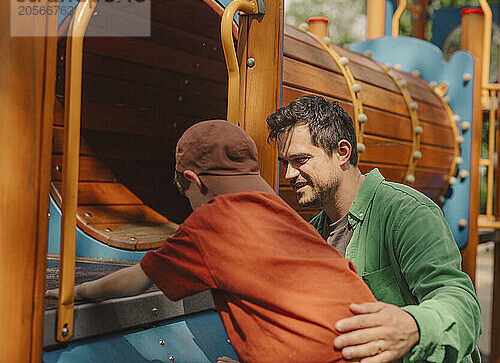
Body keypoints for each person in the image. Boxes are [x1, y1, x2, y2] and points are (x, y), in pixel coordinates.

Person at [47, 119, 377, 363]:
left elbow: (132, 283)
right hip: (366, 340)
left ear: (193, 181)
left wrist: (72, 292)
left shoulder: (211, 222)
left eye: (186, 195)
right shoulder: (278, 209)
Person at [267, 95, 482, 363]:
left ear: (342, 152)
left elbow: (462, 305)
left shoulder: (407, 213)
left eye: (300, 159)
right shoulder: (311, 236)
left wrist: (413, 326)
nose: (288, 174)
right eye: (284, 163)